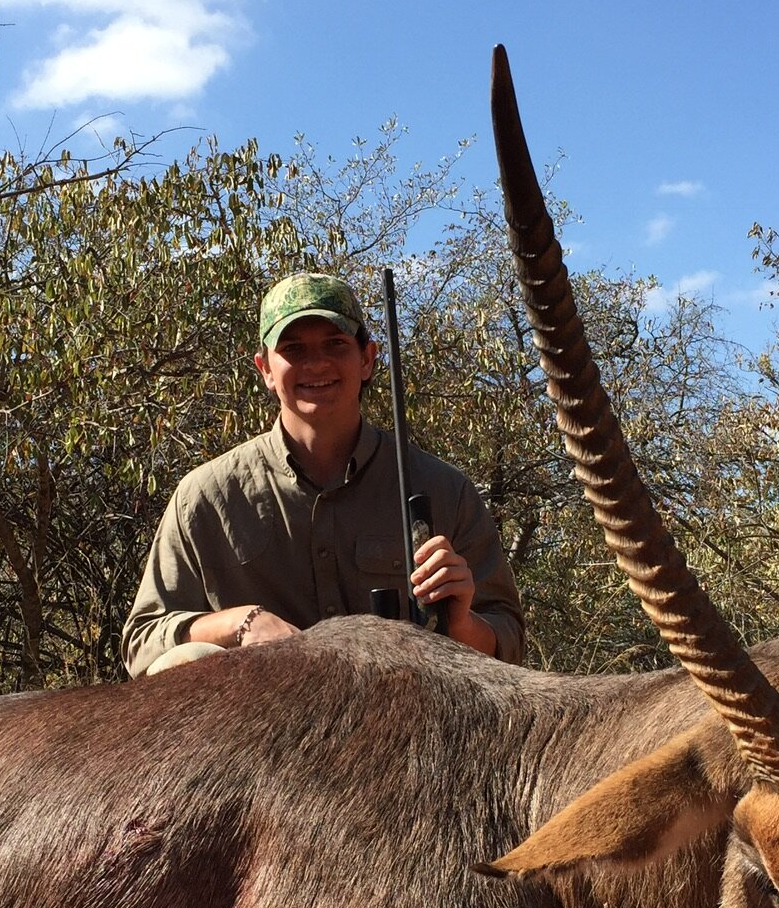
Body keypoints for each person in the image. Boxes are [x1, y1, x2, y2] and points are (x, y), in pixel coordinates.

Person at [123, 271, 524, 677]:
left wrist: (461, 624)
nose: (316, 363)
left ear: (367, 358)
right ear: (265, 368)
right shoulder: (205, 497)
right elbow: (143, 642)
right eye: (293, 349)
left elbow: (507, 641)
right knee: (181, 661)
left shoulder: (443, 490)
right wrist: (241, 624)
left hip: (407, 725)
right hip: (260, 729)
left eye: (335, 344)